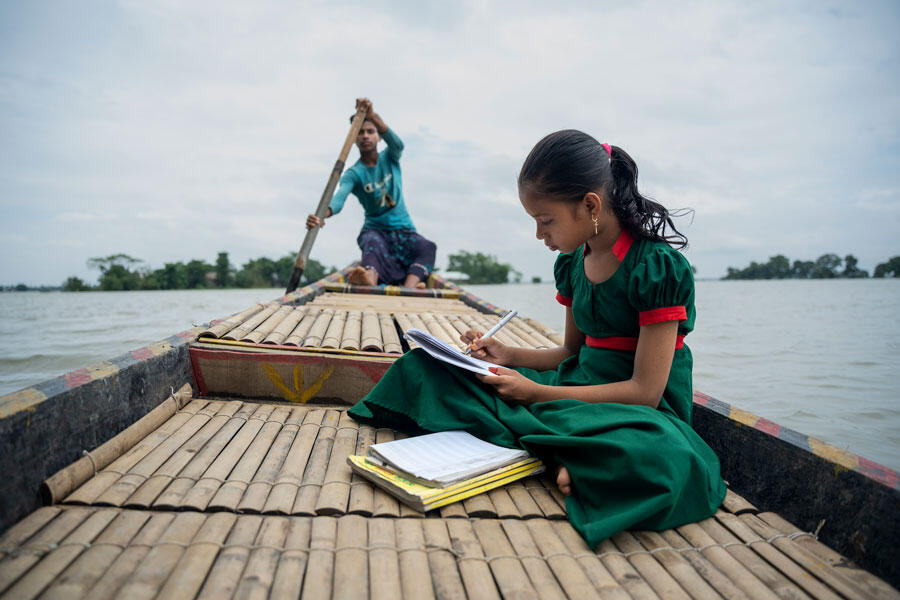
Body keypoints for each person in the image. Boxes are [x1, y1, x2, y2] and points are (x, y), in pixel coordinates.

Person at [348, 129, 726, 547]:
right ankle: (574, 457)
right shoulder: (573, 262)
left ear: (590, 205)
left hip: (633, 410)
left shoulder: (656, 268)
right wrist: (508, 355)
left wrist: (533, 394)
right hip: (576, 390)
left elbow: (646, 393)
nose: (539, 234)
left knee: (662, 456)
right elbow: (570, 353)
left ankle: (567, 451)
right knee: (423, 368)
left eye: (546, 221)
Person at [306, 98, 436, 288]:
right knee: (371, 243)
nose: (365, 136)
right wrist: (321, 215)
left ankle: (410, 287)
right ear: (354, 139)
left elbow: (398, 145)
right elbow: (339, 199)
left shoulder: (390, 158)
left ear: (379, 136)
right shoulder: (354, 173)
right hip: (376, 231)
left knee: (427, 247)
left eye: (370, 131)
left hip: (404, 231)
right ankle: (369, 281)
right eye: (359, 133)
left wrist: (372, 115)